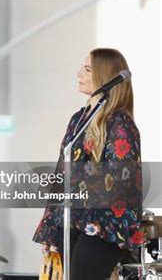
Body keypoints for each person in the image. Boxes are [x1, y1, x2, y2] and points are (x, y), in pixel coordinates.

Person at [33, 48, 143, 279]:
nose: (78, 73)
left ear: (105, 77)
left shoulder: (120, 123)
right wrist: (50, 226)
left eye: (87, 69)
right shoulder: (78, 119)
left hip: (105, 223)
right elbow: (61, 175)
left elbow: (122, 179)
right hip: (73, 218)